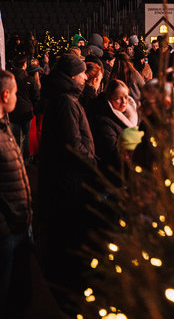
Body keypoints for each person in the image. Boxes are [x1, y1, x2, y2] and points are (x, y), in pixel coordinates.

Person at [38, 54, 97, 311]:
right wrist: (95, 166)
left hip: (66, 183)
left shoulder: (67, 99)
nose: (86, 77)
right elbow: (73, 145)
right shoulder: (65, 102)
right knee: (68, 241)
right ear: (73, 75)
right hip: (68, 186)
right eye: (83, 73)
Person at [0, 70, 32, 318]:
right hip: (7, 231)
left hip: (17, 224)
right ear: (6, 95)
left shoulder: (5, 126)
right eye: (16, 93)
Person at [88, 80, 138, 177]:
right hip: (115, 174)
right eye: (118, 98)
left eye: (126, 97)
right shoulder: (103, 121)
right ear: (109, 99)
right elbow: (113, 154)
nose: (124, 102)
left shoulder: (131, 115)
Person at [9, 57, 39, 159]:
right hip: (27, 111)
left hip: (13, 111)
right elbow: (36, 96)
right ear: (24, 65)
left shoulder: (10, 79)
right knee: (27, 137)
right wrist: (32, 107)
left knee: (15, 137)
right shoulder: (29, 79)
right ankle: (26, 159)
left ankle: (17, 157)